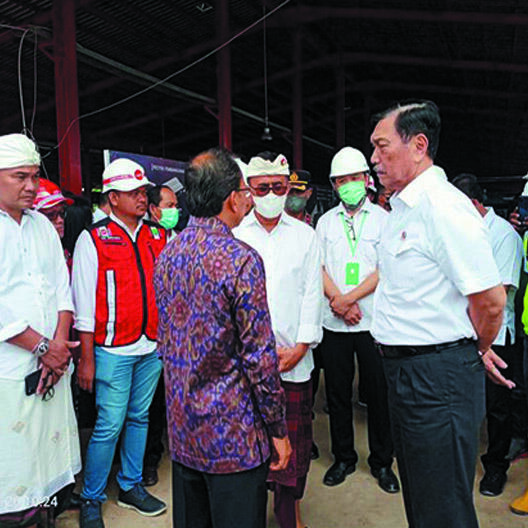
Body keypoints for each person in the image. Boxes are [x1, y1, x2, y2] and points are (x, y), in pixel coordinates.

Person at [370, 100, 511, 528]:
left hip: (436, 377)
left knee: (443, 507)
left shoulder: (442, 207)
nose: (374, 159)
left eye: (381, 146)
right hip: (410, 373)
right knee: (423, 496)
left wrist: (476, 346)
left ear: (418, 145)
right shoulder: (404, 208)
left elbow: (490, 300)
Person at [154, 147, 290, 528]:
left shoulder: (168, 253)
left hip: (184, 433)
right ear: (232, 198)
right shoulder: (241, 259)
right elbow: (260, 359)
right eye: (246, 192)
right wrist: (277, 429)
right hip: (234, 436)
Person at [72, 158, 167, 528]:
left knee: (139, 418)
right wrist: (87, 360)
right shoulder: (93, 239)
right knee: (109, 424)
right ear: (112, 197)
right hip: (111, 350)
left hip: (151, 348)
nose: (142, 198)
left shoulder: (158, 235)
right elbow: (82, 304)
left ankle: (130, 486)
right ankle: (91, 497)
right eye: (133, 192)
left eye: (144, 191)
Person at [234, 152, 323, 528]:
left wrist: (301, 346)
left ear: (288, 189)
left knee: (295, 447)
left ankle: (290, 514)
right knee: (251, 445)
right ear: (249, 191)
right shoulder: (236, 235)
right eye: (262, 188)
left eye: (278, 187)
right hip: (247, 363)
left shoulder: (305, 235)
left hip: (293, 359)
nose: (271, 194)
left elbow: (312, 294)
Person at [0, 133, 81, 526]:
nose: (31, 186)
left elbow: (61, 291)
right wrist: (43, 347)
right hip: (9, 371)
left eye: (33, 176)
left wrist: (59, 349)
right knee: (12, 465)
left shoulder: (42, 227)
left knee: (47, 462)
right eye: (20, 177)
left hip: (52, 366)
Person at [316, 146, 399, 493]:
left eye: (354, 178)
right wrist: (339, 301)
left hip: (372, 322)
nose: (348, 185)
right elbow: (318, 267)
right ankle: (344, 457)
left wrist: (348, 299)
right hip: (335, 322)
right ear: (334, 186)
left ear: (366, 180)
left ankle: (382, 462)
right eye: (341, 181)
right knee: (337, 394)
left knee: (379, 395)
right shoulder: (325, 222)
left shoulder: (384, 219)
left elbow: (384, 270)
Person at [453, 173, 523, 497]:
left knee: (497, 407)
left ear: (475, 203)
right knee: (467, 402)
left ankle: (496, 466)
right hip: (462, 333)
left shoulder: (504, 236)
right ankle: (462, 460)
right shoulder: (461, 231)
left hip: (496, 336)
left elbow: (500, 292)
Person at [141, 183, 180, 486]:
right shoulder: (143, 240)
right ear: (153, 209)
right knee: (150, 404)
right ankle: (149, 460)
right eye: (168, 205)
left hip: (180, 336)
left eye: (175, 205)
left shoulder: (179, 238)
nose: (173, 211)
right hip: (150, 336)